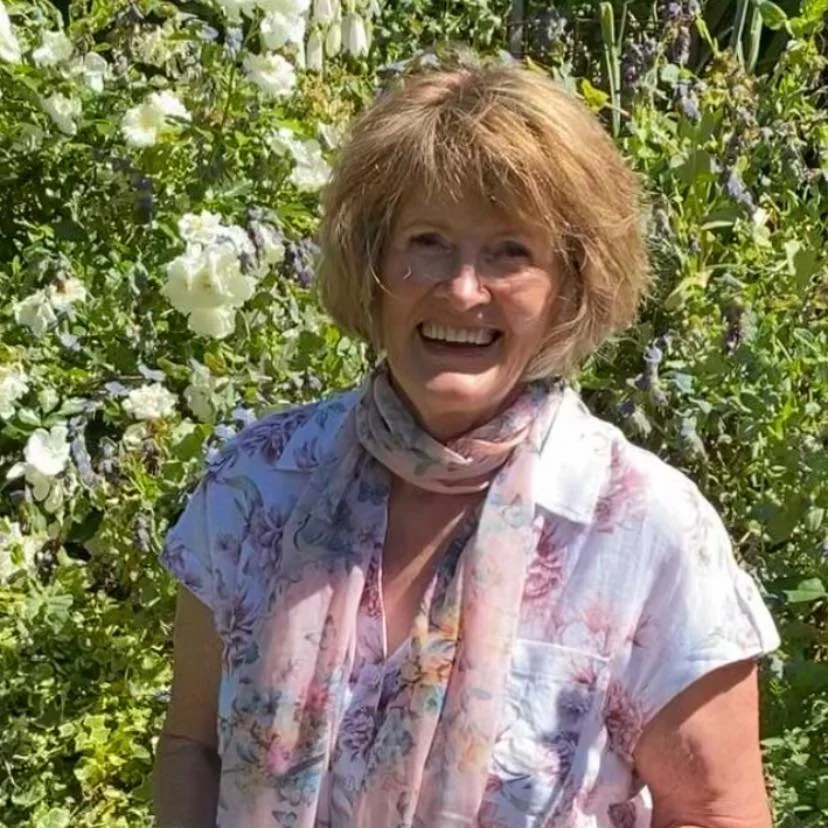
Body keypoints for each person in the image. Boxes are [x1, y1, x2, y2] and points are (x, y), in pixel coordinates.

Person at [152, 58, 780, 828]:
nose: (461, 289)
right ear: (374, 264)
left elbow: (717, 812)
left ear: (568, 285)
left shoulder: (643, 531)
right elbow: (193, 747)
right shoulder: (260, 483)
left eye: (511, 252)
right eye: (427, 242)